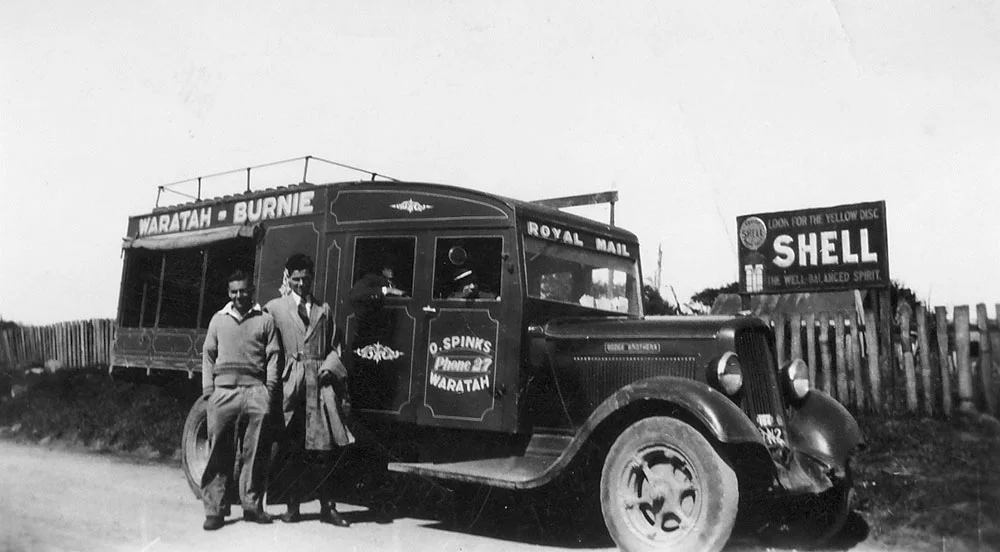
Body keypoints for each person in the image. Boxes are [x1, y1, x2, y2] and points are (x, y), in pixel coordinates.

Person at [265, 253, 355, 527]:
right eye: (296, 279)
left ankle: (328, 507)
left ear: (312, 278)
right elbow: (266, 347)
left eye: (306, 279)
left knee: (323, 450)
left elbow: (337, 346)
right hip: (291, 385)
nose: (301, 284)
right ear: (288, 277)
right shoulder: (275, 309)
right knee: (292, 449)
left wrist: (330, 366)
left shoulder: (323, 310)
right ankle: (292, 507)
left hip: (319, 386)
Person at [200, 270, 280, 531]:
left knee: (255, 452)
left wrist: (268, 390)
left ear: (251, 290)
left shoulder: (265, 320)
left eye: (243, 291)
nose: (239, 296)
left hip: (255, 391)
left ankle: (252, 506)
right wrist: (209, 391)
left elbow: (273, 356)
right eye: (234, 291)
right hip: (224, 393)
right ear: (228, 292)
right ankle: (215, 510)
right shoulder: (218, 320)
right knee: (219, 452)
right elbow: (208, 354)